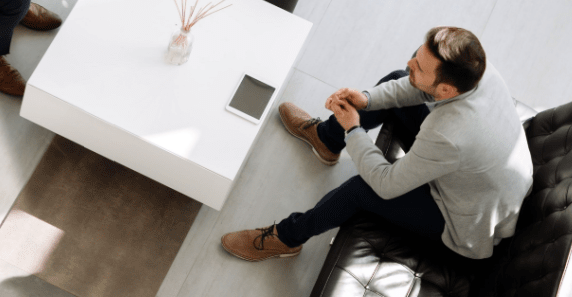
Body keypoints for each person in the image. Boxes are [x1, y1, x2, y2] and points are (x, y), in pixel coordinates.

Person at [220, 27, 532, 262]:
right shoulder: (478, 69)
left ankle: (286, 238)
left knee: (360, 190)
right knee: (400, 79)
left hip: (464, 220)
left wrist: (354, 129)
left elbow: (385, 184)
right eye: (417, 55)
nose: (411, 62)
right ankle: (327, 141)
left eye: (420, 65)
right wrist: (366, 100)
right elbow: (414, 87)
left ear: (447, 89)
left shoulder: (448, 133)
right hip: (475, 177)